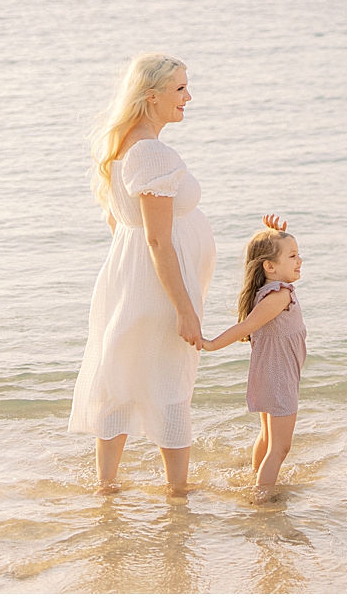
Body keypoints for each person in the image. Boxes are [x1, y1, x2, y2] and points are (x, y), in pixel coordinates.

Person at [68, 53, 216, 496]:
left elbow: (122, 224)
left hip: (129, 277)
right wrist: (185, 310)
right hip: (157, 285)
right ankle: (178, 495)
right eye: (181, 89)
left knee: (121, 375)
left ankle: (106, 489)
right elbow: (157, 239)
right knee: (169, 383)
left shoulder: (122, 145)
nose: (189, 97)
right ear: (152, 97)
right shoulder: (152, 152)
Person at [201, 216, 307, 499]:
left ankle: (255, 481)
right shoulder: (280, 295)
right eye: (293, 255)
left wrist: (275, 233)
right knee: (280, 447)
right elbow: (245, 327)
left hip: (270, 375)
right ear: (270, 267)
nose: (300, 260)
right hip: (279, 378)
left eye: (299, 254)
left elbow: (248, 326)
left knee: (267, 438)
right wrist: (210, 345)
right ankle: (262, 496)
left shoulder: (268, 292)